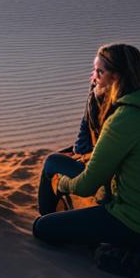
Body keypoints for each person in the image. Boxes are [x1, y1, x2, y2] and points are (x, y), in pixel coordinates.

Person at [32, 43, 140, 249]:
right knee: (54, 160)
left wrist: (61, 184)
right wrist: (95, 98)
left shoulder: (124, 119)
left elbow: (87, 186)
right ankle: (68, 219)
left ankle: (53, 219)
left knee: (41, 227)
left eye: (99, 72)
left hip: (138, 225)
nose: (93, 77)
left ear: (116, 77)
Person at [35, 76, 103, 216]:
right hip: (101, 160)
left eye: (98, 70)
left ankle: (48, 215)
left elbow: (87, 144)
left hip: (102, 177)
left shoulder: (104, 92)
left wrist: (79, 155)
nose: (93, 75)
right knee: (62, 154)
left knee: (51, 162)